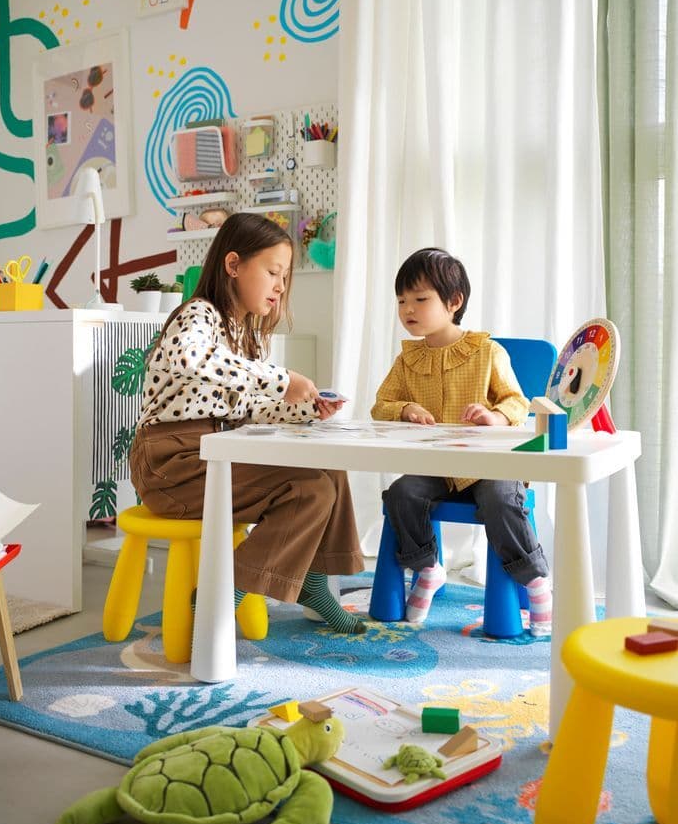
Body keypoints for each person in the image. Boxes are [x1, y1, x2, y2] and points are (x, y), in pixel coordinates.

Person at [131, 212, 366, 634]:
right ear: (233, 265)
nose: (280, 286)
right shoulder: (197, 315)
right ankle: (224, 595)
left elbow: (252, 408)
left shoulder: (246, 335)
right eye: (273, 272)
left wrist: (307, 409)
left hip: (218, 453)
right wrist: (282, 379)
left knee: (329, 466)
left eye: (285, 276)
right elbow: (191, 357)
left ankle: (314, 582)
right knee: (309, 491)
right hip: (171, 466)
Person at [371, 247, 552, 636]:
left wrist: (495, 417)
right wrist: (407, 409)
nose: (408, 309)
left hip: (491, 467)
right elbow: (380, 405)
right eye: (402, 300)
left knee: (501, 500)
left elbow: (518, 402)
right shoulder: (407, 360)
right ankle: (428, 568)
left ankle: (535, 580)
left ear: (454, 302)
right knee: (402, 493)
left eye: (420, 299)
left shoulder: (486, 351)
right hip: (438, 468)